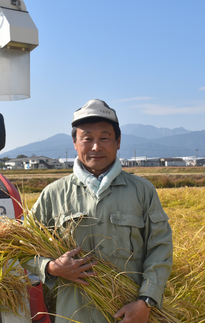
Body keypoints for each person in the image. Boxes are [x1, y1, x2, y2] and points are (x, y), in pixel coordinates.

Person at [22, 99, 173, 323]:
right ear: (75, 142)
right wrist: (52, 267)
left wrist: (146, 301)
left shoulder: (143, 191)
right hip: (72, 315)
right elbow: (21, 245)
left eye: (104, 138)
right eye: (87, 138)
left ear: (118, 141)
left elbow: (160, 248)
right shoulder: (53, 194)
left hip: (129, 315)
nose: (96, 147)